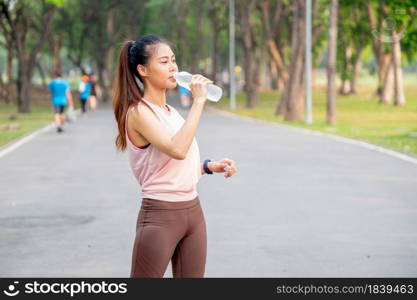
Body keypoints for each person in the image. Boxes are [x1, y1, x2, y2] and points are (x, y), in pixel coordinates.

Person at [112, 35, 237, 278]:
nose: (173, 67)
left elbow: (170, 163)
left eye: (174, 61)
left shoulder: (170, 112)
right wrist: (199, 101)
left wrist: (210, 166)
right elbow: (177, 150)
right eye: (164, 61)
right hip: (160, 215)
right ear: (143, 70)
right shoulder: (139, 112)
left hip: (193, 212)